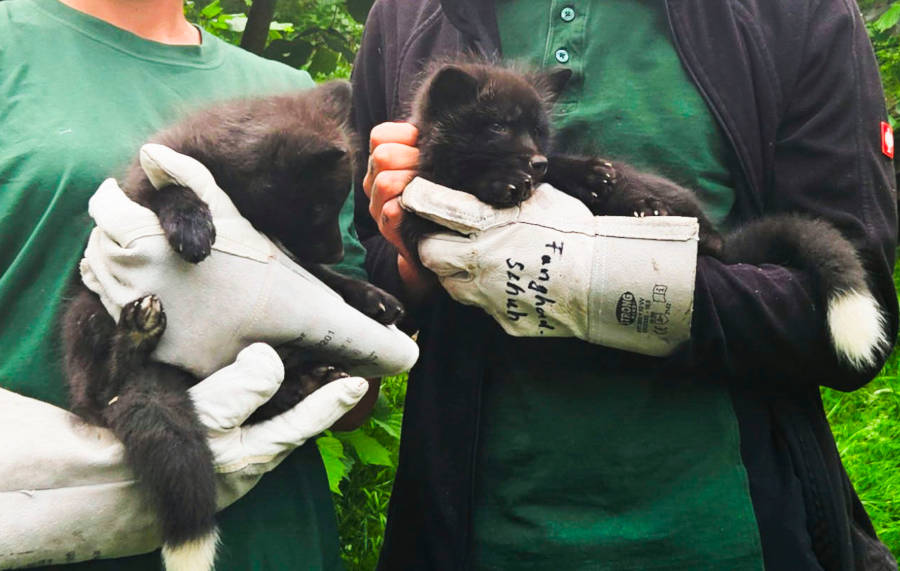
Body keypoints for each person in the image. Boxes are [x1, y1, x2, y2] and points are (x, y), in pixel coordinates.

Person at [352, 1, 899, 570]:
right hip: (470, 537)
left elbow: (855, 337)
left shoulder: (796, 13)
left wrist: (591, 277)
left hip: (727, 536)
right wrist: (414, 261)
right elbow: (357, 261)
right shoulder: (406, 15)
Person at [0, 0, 379, 568]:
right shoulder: (12, 44)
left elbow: (356, 385)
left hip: (268, 537)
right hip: (44, 527)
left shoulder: (298, 99)